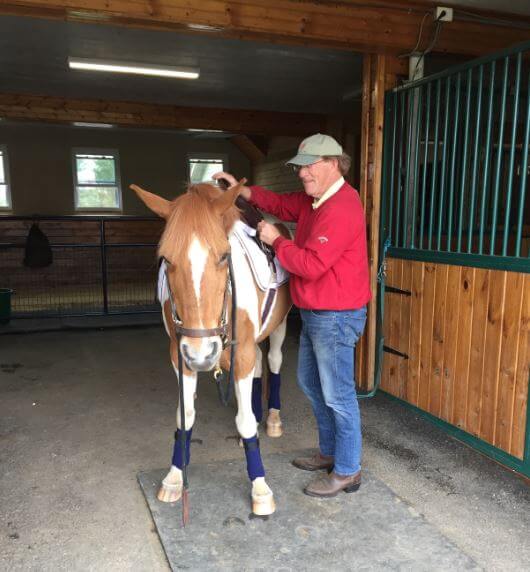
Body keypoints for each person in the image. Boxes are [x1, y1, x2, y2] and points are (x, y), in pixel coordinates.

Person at [214, 133, 371, 498]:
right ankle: (331, 453)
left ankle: (347, 470)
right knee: (313, 386)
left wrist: (275, 241)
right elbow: (283, 205)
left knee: (338, 396)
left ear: (334, 163)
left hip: (336, 315)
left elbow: (312, 265)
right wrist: (242, 190)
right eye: (300, 167)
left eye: (309, 166)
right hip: (317, 313)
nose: (302, 174)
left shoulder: (342, 207)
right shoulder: (316, 200)